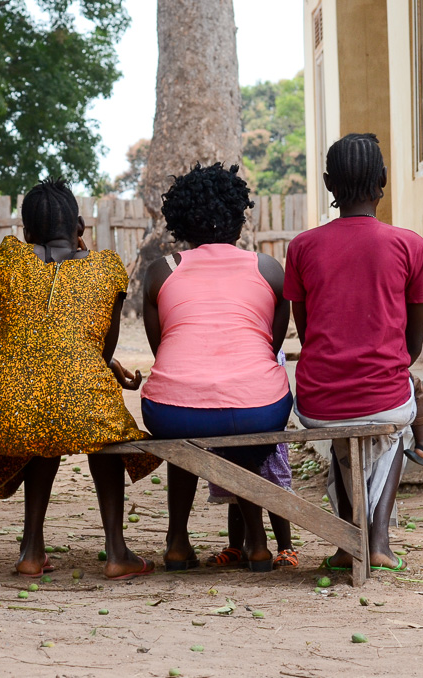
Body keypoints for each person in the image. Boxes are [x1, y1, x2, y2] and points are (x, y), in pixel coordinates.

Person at [0, 178, 159, 580]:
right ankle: (117, 552)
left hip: (3, 408)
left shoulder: (5, 260)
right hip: (81, 405)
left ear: (27, 232)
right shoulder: (106, 268)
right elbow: (100, 353)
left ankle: (31, 551)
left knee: (45, 410)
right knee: (94, 428)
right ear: (81, 228)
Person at [283, 133, 423, 572]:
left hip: (318, 401)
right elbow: (414, 344)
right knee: (395, 428)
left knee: (344, 440)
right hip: (384, 394)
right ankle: (379, 539)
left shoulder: (303, 247)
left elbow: (307, 332)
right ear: (383, 180)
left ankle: (349, 540)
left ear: (329, 184)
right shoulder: (410, 245)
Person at [140, 162, 292, 573]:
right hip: (259, 406)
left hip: (172, 411)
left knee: (184, 424)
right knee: (247, 425)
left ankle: (176, 541)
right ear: (239, 216)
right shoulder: (269, 269)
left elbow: (163, 353)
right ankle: (258, 544)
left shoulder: (159, 272)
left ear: (180, 219)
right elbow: (270, 345)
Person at [206, 350, 299, 570]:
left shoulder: (267, 348)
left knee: (272, 490)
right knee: (237, 488)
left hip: (264, 419)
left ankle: (285, 546)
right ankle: (235, 546)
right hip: (237, 414)